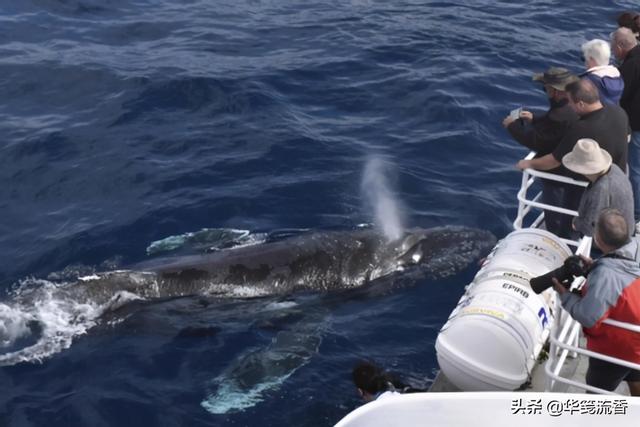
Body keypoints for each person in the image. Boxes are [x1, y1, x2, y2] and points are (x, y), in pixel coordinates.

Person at [517, 78, 630, 237]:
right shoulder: (619, 112)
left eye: (570, 102)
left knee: (570, 228)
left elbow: (553, 161)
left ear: (581, 104)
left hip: (586, 188)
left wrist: (526, 163)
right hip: (617, 179)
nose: (569, 105)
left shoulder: (582, 128)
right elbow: (627, 137)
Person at [553, 209, 640, 395]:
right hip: (637, 342)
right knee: (635, 376)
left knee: (595, 392)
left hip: (617, 348)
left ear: (598, 239)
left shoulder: (605, 275)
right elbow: (625, 277)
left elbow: (588, 316)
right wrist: (594, 267)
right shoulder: (636, 246)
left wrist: (565, 294)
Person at [502, 67, 579, 236]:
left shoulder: (558, 116)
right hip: (574, 170)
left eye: (546, 88)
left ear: (556, 91)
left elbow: (537, 141)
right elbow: (553, 123)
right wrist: (534, 118)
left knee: (556, 216)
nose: (545, 91)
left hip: (559, 176)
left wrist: (512, 126)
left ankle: (559, 241)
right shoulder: (572, 107)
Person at [561, 138, 634, 238]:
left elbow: (590, 228)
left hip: (611, 242)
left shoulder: (601, 188)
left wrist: (576, 223)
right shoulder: (614, 169)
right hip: (625, 232)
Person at [611, 27, 640, 222]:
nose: (613, 53)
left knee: (635, 169)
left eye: (614, 49)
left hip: (636, 125)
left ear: (621, 46)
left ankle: (636, 212)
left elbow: (621, 95)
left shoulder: (630, 66)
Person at [580, 39, 624, 105]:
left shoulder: (587, 81)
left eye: (584, 59)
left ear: (591, 59)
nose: (585, 62)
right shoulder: (618, 76)